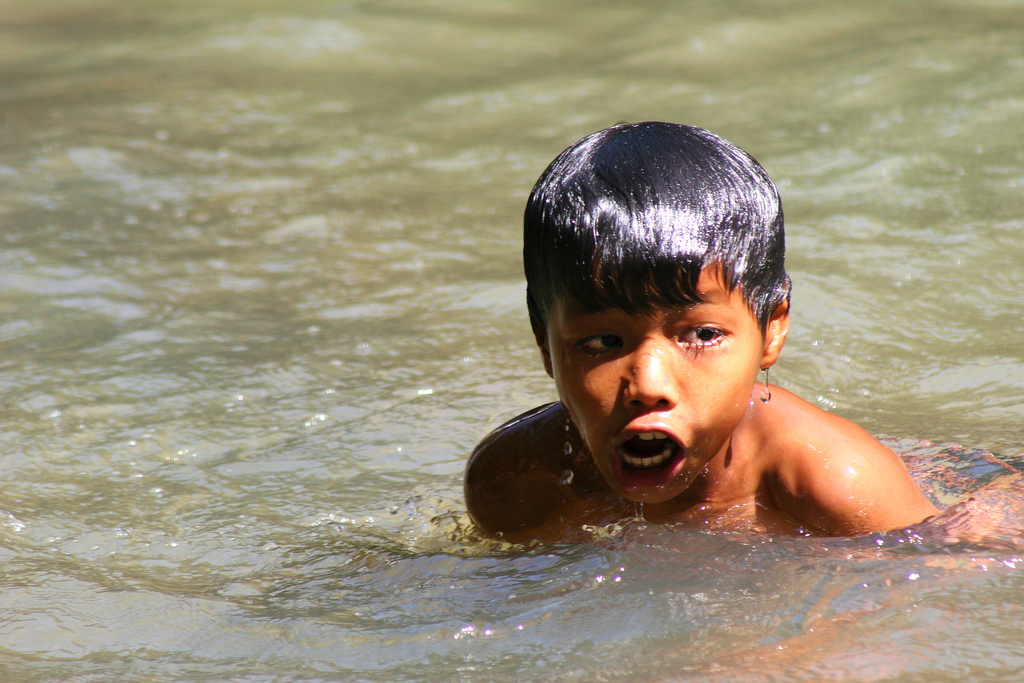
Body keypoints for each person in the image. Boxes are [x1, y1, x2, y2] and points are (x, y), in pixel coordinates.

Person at [464, 121, 938, 543]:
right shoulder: (517, 482)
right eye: (602, 343)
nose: (648, 386)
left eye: (702, 335)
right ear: (545, 343)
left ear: (771, 329)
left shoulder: (839, 487)